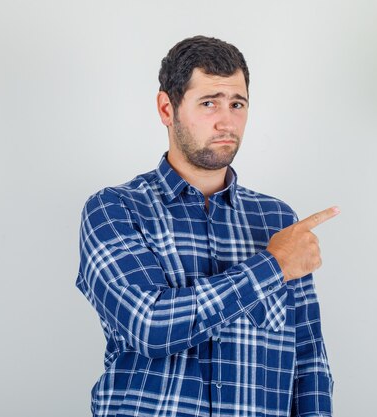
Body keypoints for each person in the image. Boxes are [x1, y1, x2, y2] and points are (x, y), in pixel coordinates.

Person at [76, 35, 338, 417]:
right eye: (208, 103)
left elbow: (309, 359)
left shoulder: (278, 220)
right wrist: (273, 264)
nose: (226, 121)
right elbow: (150, 325)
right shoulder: (115, 209)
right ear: (167, 108)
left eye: (237, 104)